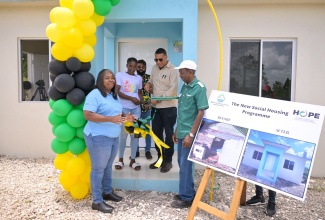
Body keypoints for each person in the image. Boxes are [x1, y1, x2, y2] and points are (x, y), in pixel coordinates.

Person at [83, 69, 135, 213]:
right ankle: (97, 201)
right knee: (98, 168)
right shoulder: (94, 95)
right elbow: (87, 114)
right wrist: (110, 119)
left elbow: (118, 114)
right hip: (98, 136)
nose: (111, 80)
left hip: (113, 136)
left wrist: (127, 117)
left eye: (112, 78)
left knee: (107, 166)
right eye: (107, 78)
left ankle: (107, 192)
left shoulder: (113, 95)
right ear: (101, 80)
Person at [171, 60, 209, 208]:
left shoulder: (199, 88)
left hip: (189, 134)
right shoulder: (185, 87)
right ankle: (187, 191)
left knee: (186, 165)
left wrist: (191, 135)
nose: (180, 75)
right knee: (182, 163)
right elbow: (182, 111)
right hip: (181, 131)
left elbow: (201, 112)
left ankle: (187, 198)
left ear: (190, 72)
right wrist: (176, 130)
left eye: (182, 72)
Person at [144, 48, 179, 173]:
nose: (158, 62)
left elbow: (173, 89)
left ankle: (168, 161)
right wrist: (148, 84)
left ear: (166, 57)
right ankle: (160, 159)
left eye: (160, 59)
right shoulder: (154, 68)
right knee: (157, 134)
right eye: (156, 59)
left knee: (168, 135)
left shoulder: (173, 70)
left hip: (169, 107)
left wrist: (157, 99)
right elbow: (151, 81)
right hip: (156, 108)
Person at [246, 85, 277, 216]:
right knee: (256, 166)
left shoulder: (276, 107)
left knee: (270, 171)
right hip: (259, 139)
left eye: (265, 93)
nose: (264, 95)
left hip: (271, 141)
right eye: (262, 92)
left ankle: (272, 201)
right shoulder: (257, 104)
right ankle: (259, 196)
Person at [115, 57, 143, 171]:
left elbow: (139, 92)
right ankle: (120, 159)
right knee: (123, 134)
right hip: (124, 109)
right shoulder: (120, 75)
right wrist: (131, 98)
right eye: (130, 66)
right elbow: (117, 91)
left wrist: (141, 101)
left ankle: (133, 160)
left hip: (136, 109)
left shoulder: (139, 78)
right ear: (127, 65)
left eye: (134, 67)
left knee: (135, 135)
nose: (132, 68)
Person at [135, 59, 153, 160]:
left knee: (147, 130)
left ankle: (147, 150)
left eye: (143, 67)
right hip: (136, 108)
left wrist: (149, 103)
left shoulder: (149, 78)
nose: (141, 69)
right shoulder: (134, 78)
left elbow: (153, 92)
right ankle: (136, 150)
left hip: (147, 108)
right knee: (137, 129)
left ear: (145, 67)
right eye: (139, 67)